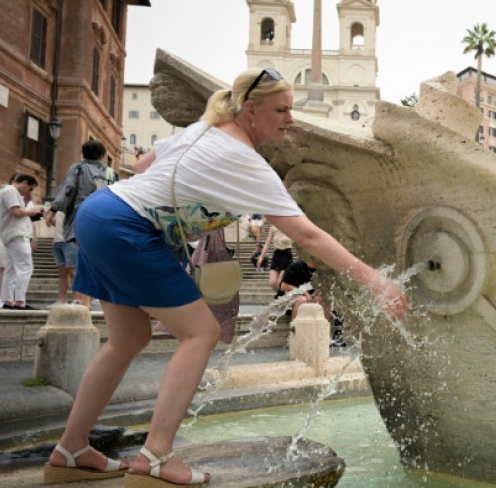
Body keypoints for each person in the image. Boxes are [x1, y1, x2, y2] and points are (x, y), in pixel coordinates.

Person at [44, 69, 408, 485]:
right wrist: (377, 282)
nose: (291, 119)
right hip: (126, 226)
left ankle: (70, 449)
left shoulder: (204, 130)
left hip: (101, 212)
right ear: (250, 110)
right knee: (201, 333)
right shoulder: (245, 160)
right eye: (282, 110)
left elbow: (145, 164)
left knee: (129, 338)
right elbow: (307, 234)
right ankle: (157, 455)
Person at [46, 139, 119, 307]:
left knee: (83, 259)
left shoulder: (77, 168)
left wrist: (54, 209)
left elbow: (68, 189)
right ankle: (94, 298)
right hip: (105, 219)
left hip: (83, 216)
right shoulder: (111, 173)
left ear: (83, 154)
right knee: (98, 260)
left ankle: (85, 303)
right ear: (102, 155)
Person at [0, 174, 43, 310]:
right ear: (25, 182)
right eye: (29, 189)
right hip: (17, 235)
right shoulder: (10, 191)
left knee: (11, 269)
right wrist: (32, 211)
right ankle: (20, 301)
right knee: (25, 268)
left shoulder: (6, 191)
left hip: (10, 235)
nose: (28, 192)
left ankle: (8, 300)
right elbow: (16, 212)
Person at [48, 211, 79, 304]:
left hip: (69, 241)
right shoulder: (58, 210)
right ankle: (62, 300)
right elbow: (55, 223)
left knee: (73, 271)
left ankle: (76, 300)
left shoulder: (73, 206)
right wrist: (49, 217)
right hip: (57, 242)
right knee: (62, 272)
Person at [258, 225, 294, 292]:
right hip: (277, 255)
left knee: (280, 281)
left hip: (287, 255)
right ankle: (281, 296)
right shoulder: (273, 228)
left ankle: (283, 298)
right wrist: (261, 256)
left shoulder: (290, 227)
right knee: (272, 282)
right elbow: (267, 243)